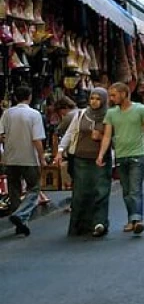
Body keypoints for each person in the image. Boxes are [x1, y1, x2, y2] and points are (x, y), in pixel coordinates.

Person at [96, 82, 144, 235]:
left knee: (135, 189)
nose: (111, 98)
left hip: (137, 155)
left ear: (124, 94)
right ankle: (131, 220)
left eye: (114, 95)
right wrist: (101, 155)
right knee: (126, 191)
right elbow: (107, 136)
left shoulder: (140, 109)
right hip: (121, 156)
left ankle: (138, 219)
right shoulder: (111, 113)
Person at [56, 87, 110, 237]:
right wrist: (60, 151)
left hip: (101, 159)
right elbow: (70, 133)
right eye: (92, 98)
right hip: (81, 158)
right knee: (81, 193)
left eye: (98, 99)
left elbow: (115, 138)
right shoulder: (81, 114)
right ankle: (79, 226)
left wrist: (101, 138)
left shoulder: (109, 116)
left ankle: (99, 223)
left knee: (100, 192)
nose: (94, 102)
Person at [0, 85, 47, 236]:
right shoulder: (34, 114)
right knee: (34, 188)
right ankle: (21, 215)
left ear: (15, 98)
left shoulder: (7, 113)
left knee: (14, 189)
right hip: (29, 157)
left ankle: (20, 223)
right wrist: (42, 158)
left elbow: (1, 135)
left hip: (11, 157)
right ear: (30, 96)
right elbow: (37, 139)